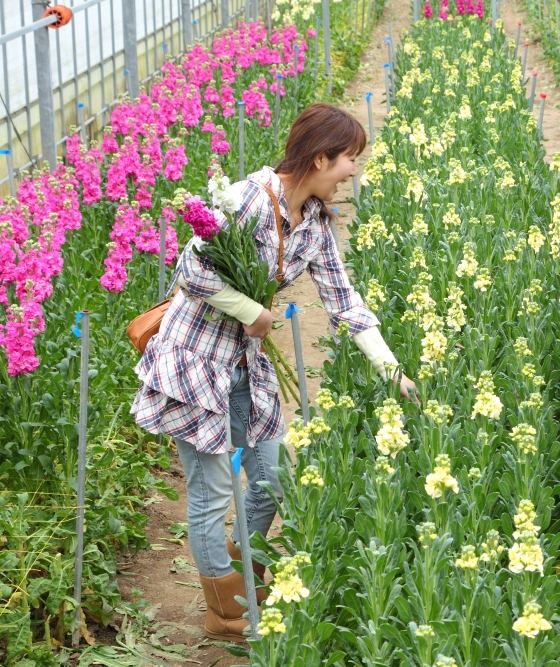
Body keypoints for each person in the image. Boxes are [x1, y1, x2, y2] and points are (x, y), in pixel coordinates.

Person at [131, 103, 415, 641]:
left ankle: (245, 575)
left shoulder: (313, 224)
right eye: (348, 159)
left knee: (274, 477)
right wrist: (252, 312)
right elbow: (190, 270)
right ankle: (228, 612)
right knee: (213, 491)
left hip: (244, 365)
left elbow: (343, 300)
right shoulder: (245, 201)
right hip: (196, 363)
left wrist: (392, 370)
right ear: (319, 157)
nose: (353, 171)